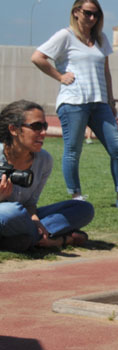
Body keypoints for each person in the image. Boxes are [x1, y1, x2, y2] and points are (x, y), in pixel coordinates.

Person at [31, 0, 118, 209]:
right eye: (87, 13)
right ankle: (75, 196)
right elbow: (37, 57)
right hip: (73, 102)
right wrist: (60, 76)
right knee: (73, 150)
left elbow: (106, 71)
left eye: (96, 14)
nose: (92, 17)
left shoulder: (101, 39)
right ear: (76, 12)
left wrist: (111, 101)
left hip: (100, 103)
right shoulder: (64, 36)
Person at [0, 100, 94, 252]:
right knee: (10, 212)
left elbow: (30, 203)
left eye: (44, 126)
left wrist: (36, 221)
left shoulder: (44, 160)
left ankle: (23, 239)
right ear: (13, 129)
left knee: (83, 208)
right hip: (8, 214)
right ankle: (59, 239)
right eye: (36, 127)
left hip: (23, 217)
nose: (43, 133)